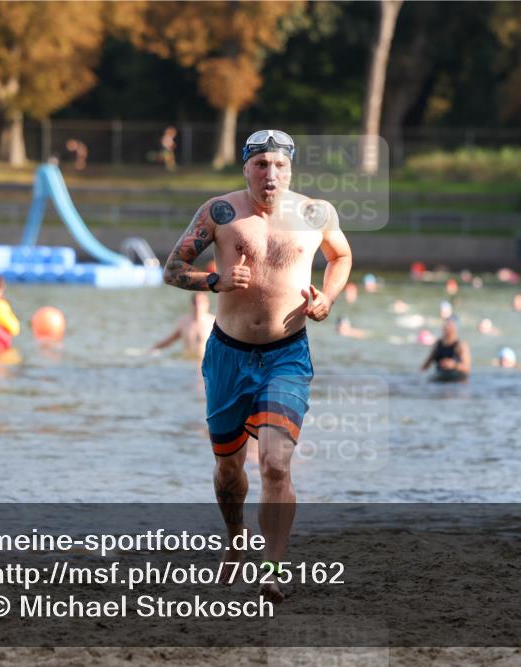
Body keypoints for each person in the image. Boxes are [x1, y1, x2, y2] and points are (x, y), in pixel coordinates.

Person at [162, 129, 352, 602]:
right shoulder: (220, 212)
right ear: (245, 167)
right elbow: (170, 269)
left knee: (274, 462)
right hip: (227, 355)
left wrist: (327, 299)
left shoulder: (315, 213)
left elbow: (341, 255)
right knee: (228, 469)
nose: (271, 174)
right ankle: (234, 540)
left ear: (291, 168)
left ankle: (272, 567)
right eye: (261, 165)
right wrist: (215, 280)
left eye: (280, 165)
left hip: (287, 354)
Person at [149, 293, 215, 360]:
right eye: (195, 302)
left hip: (205, 361)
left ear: (207, 304)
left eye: (201, 303)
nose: (198, 306)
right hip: (188, 361)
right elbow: (169, 340)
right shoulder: (184, 322)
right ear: (191, 304)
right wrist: (153, 348)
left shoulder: (214, 322)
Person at [421, 317, 471, 382]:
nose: (446, 327)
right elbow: (427, 363)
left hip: (456, 380)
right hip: (440, 377)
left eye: (449, 325)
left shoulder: (460, 345)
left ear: (455, 328)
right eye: (446, 325)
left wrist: (453, 365)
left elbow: (467, 368)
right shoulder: (438, 344)